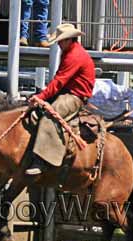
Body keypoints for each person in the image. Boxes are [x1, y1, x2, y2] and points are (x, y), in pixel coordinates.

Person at [26, 23, 95, 175]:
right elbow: (59, 81)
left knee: (49, 117)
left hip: (75, 96)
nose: (58, 43)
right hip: (68, 92)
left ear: (69, 40)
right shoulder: (71, 52)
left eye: (61, 40)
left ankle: (43, 160)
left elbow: (59, 81)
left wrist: (40, 96)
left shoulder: (74, 55)